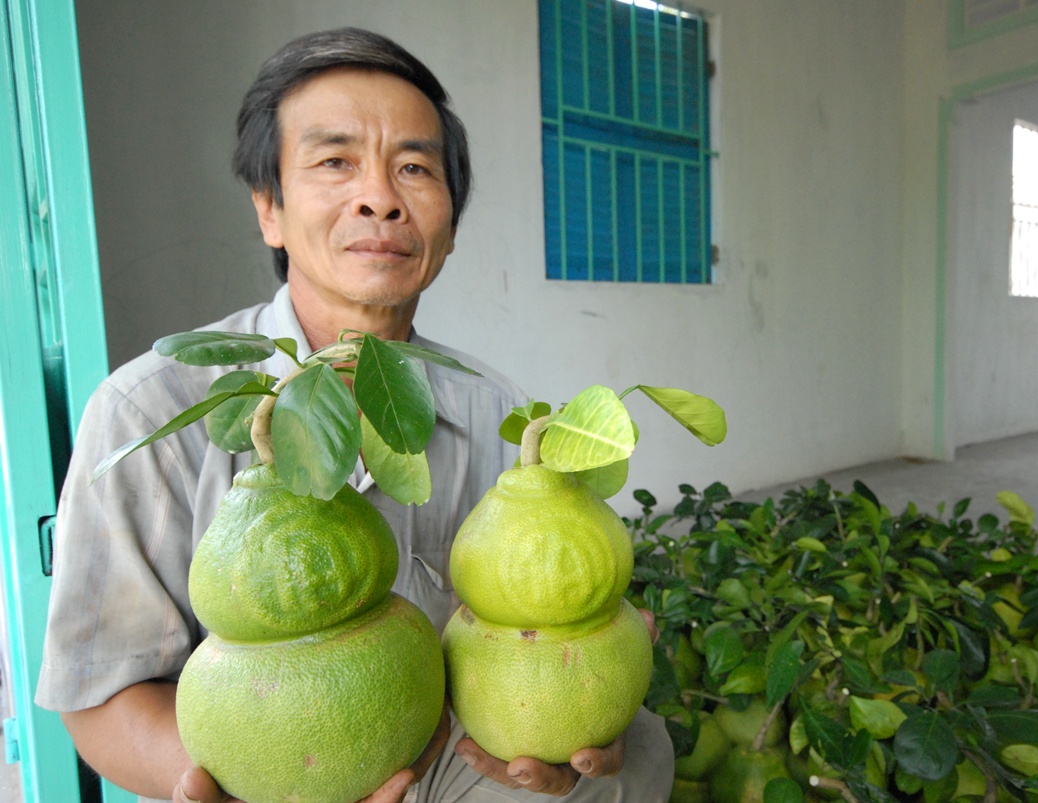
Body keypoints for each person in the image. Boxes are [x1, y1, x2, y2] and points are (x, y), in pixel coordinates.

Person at [35, 27, 673, 803]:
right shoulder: (149, 411)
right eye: (335, 162)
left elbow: (530, 633)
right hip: (273, 773)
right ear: (269, 207)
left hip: (454, 754)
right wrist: (256, 785)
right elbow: (98, 692)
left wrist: (585, 682)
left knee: (639, 749)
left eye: (413, 167)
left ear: (451, 222)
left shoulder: (498, 412)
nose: (379, 196)